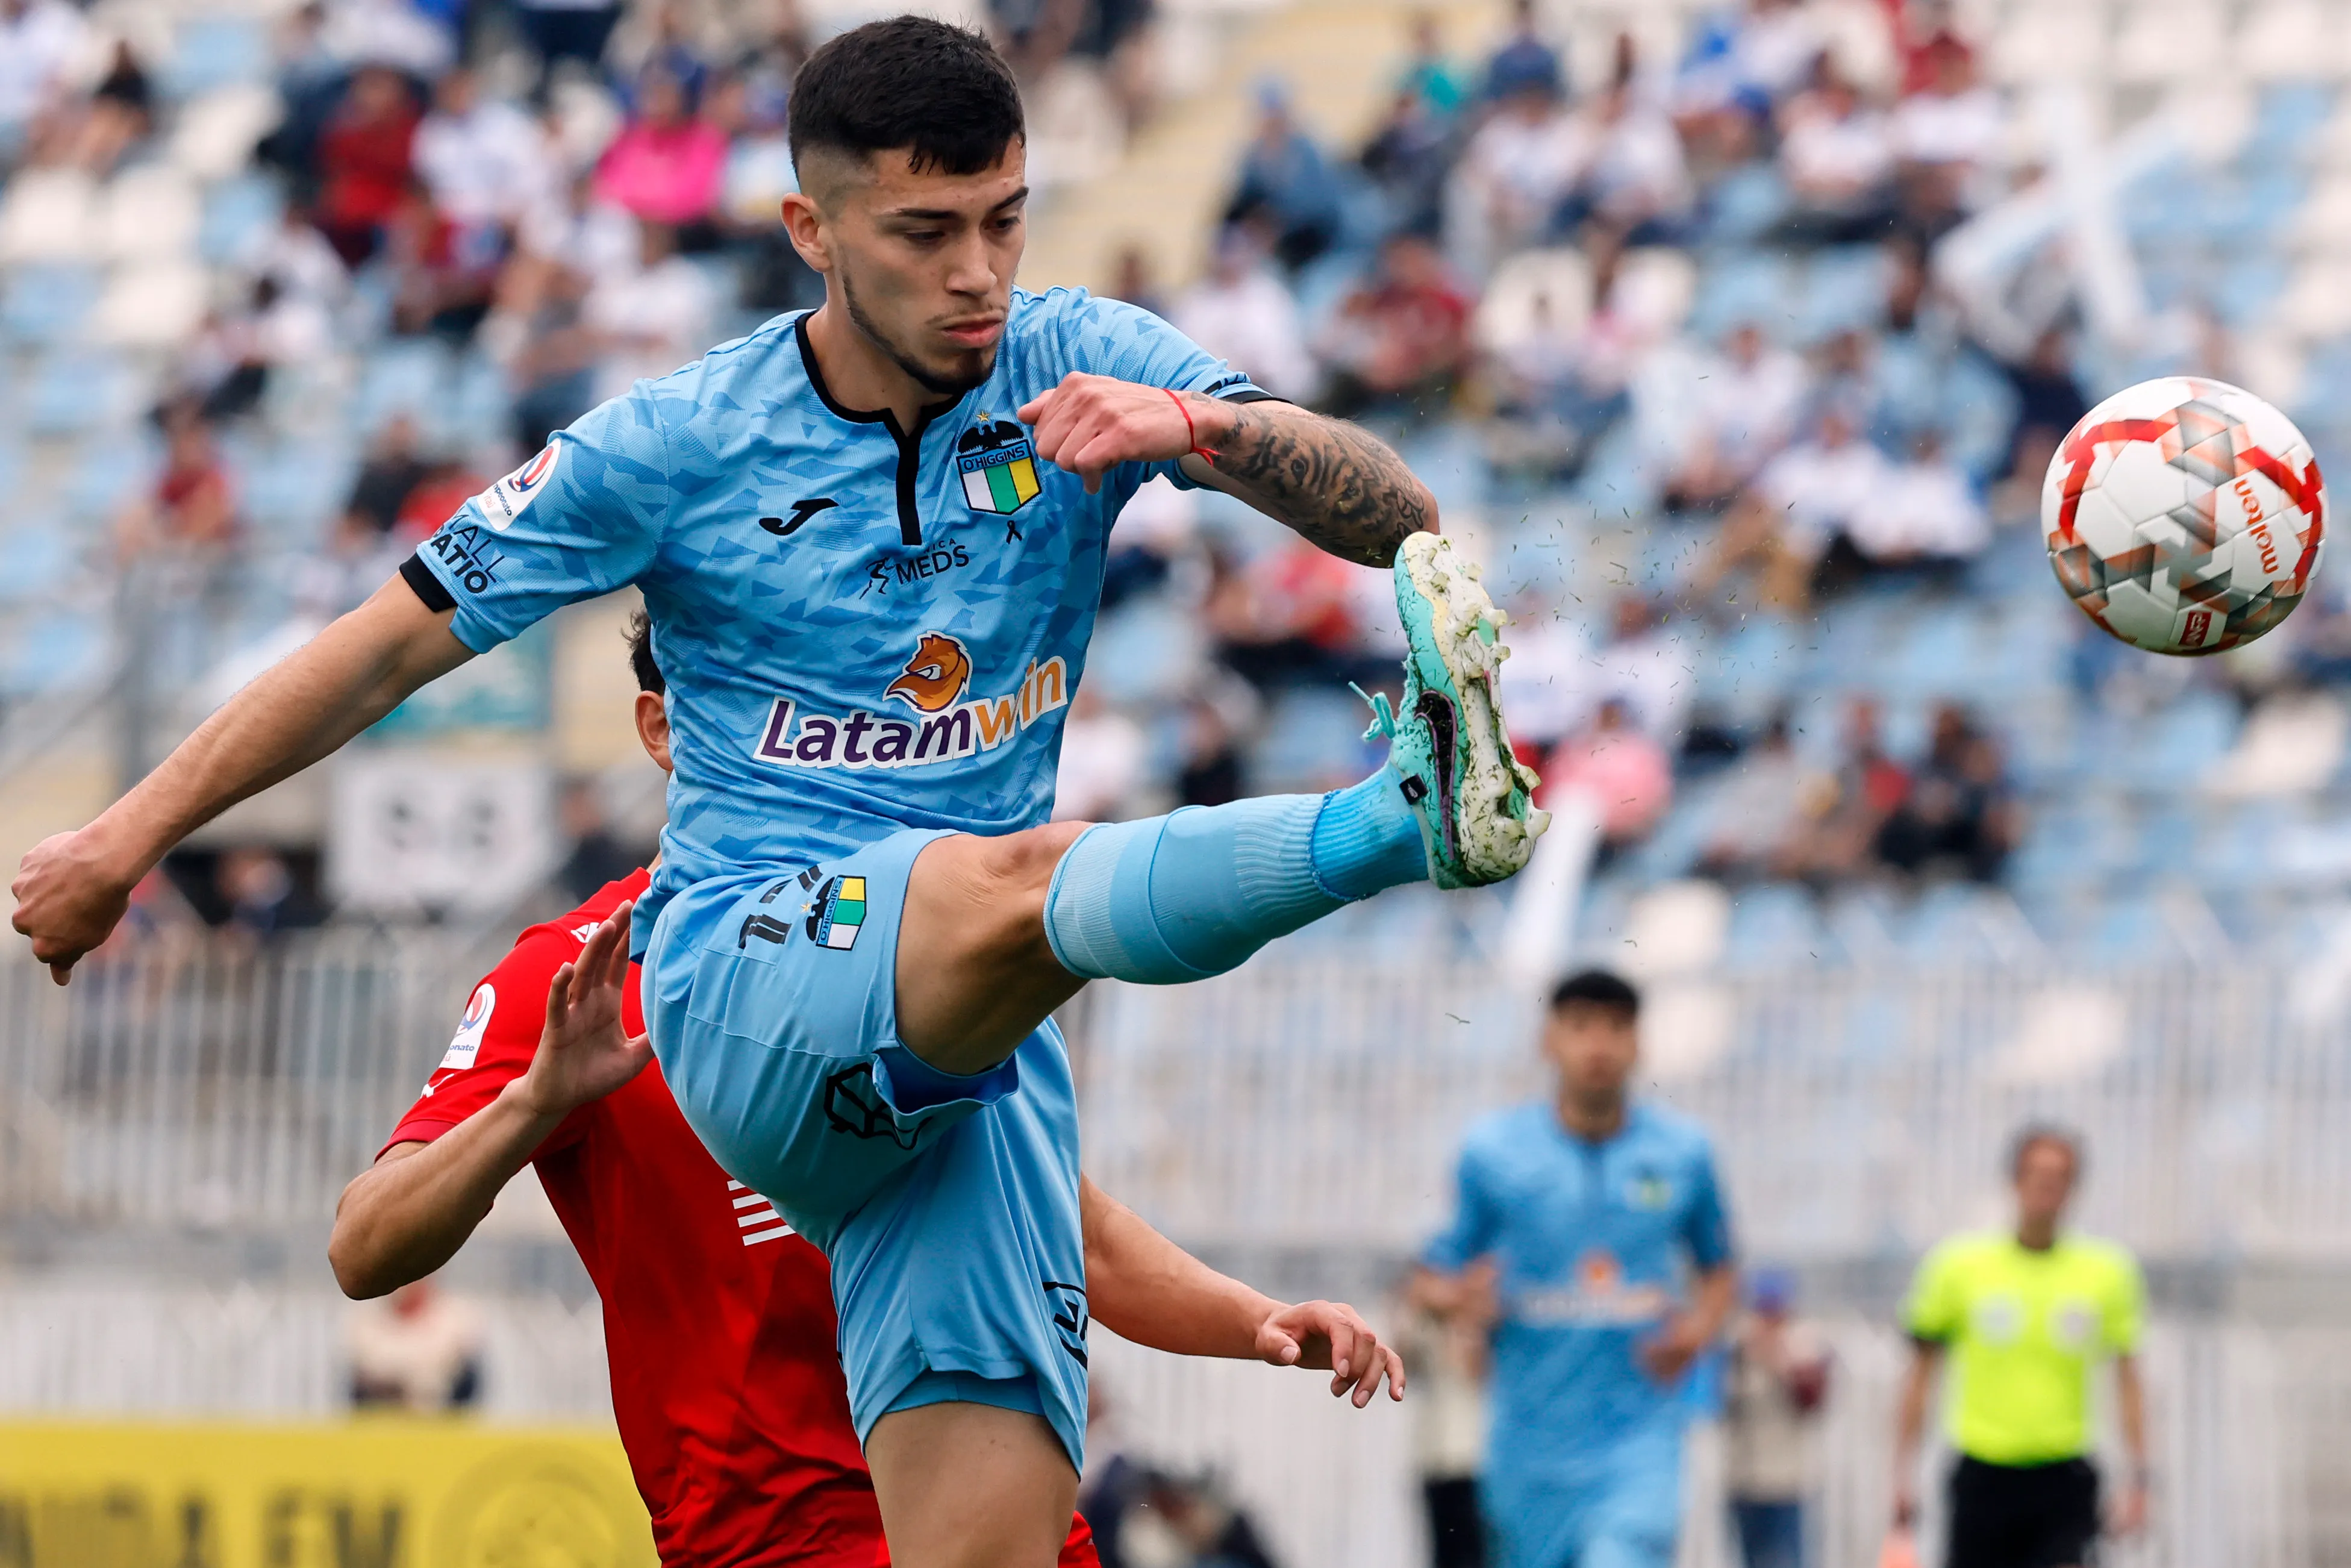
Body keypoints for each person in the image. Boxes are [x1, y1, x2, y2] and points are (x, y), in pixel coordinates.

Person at [13, 18, 1549, 1568]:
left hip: (962, 1062)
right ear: (811, 228)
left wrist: (1201, 428)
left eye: (1005, 220)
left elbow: (1403, 519)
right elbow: (378, 648)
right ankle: (1396, 816)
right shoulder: (680, 441)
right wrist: (124, 839)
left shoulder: (1084, 359)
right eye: (926, 233)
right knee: (1018, 874)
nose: (978, 274)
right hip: (750, 983)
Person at [328, 615, 1400, 1564]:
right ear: (661, 728)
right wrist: (535, 1100)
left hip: (1004, 1506)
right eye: (748, 699)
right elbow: (363, 1246)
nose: (791, 729)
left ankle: (1381, 827)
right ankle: (1375, 829)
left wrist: (1258, 1320)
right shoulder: (578, 976)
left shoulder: (927, 937)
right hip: (778, 1539)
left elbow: (1066, 1225)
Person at [1412, 970, 1738, 1568]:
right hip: (1528, 1448)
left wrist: (1697, 1330)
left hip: (1639, 1443)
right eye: (1581, 1025)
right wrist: (1457, 1299)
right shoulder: (1493, 1152)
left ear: (1638, 1043)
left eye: (1616, 1027)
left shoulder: (1683, 1153)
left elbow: (1719, 1266)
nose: (1598, 1045)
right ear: (1549, 1039)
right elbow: (1429, 1278)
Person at [1891, 1125, 2150, 1568]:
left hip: (2063, 1473)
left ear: (2074, 1188)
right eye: (2036, 1174)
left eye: (2059, 1177)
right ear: (2014, 1180)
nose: (2046, 1187)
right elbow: (1919, 1377)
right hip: (1983, 1472)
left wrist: (2140, 1477)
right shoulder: (1959, 1267)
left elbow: (2128, 1382)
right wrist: (1901, 1473)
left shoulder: (2106, 1273)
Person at [1722, 1267, 1829, 1568]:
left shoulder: (1804, 1344)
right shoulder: (1738, 1349)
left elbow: (1811, 1400)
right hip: (1743, 1480)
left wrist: (1777, 1358)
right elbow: (1714, 1401)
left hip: (1786, 1483)